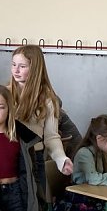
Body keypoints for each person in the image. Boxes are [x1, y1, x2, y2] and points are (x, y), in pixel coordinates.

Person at [9, 45, 72, 198]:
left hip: (33, 159)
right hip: (8, 158)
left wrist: (61, 159)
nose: (16, 70)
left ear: (35, 68)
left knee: (35, 207)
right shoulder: (4, 93)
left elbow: (51, 136)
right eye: (13, 65)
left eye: (22, 66)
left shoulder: (48, 99)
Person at [53, 115, 107, 211]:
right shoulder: (85, 153)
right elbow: (94, 178)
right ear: (100, 139)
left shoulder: (99, 152)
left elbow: (102, 176)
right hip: (79, 199)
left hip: (92, 195)